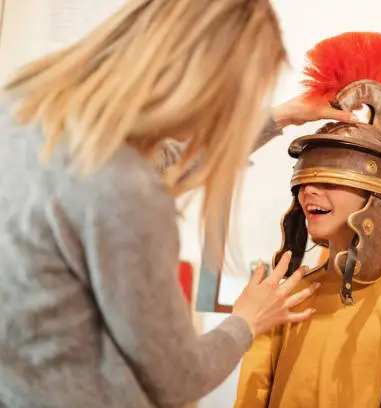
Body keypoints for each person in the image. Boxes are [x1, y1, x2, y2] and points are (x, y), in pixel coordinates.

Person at [0, 1, 357, 407]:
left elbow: (162, 162)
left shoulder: (24, 107)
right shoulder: (124, 189)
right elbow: (177, 378)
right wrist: (247, 321)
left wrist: (281, 117)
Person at [234, 32, 381, 408]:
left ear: (377, 196)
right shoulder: (285, 296)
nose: (310, 193)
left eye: (331, 180)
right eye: (306, 181)